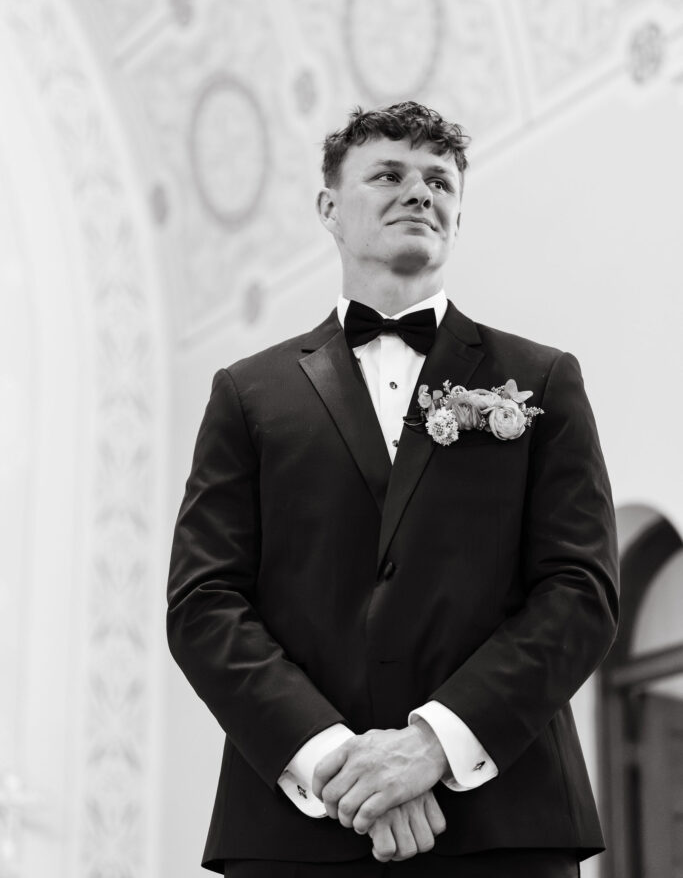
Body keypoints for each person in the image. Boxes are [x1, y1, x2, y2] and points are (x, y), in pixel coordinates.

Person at [166, 101, 619, 877]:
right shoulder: (247, 393)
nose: (420, 192)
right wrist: (337, 764)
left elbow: (579, 590)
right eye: (388, 174)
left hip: (503, 823)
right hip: (296, 828)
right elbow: (205, 603)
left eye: (438, 180)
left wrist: (432, 744)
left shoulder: (541, 378)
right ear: (328, 208)